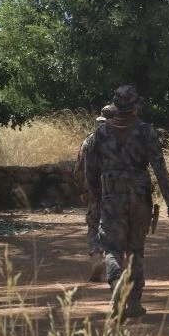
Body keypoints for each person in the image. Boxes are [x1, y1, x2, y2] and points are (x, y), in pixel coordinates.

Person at [84, 85, 169, 319]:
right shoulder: (146, 131)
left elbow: (90, 172)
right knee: (136, 250)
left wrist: (94, 201)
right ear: (135, 107)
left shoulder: (100, 134)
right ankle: (134, 302)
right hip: (139, 197)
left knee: (113, 248)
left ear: (116, 107)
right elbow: (159, 167)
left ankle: (116, 281)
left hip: (110, 198)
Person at [74, 104, 117, 281]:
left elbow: (78, 170)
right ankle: (114, 261)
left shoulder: (89, 141)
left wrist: (82, 189)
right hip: (119, 192)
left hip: (95, 190)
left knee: (94, 225)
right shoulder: (126, 140)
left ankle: (97, 256)